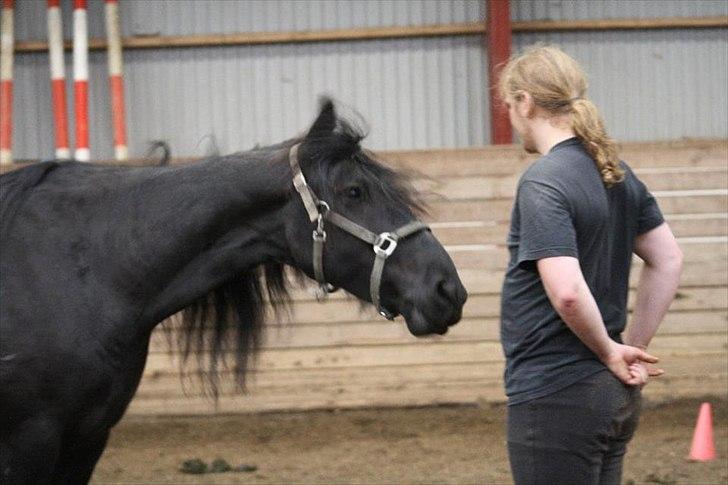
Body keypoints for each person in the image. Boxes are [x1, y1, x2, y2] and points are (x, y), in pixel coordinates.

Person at [497, 45, 683, 485]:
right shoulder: (614, 171)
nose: (509, 116)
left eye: (509, 104)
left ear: (526, 102)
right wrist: (627, 348)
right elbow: (668, 259)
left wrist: (607, 350)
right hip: (609, 393)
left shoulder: (544, 180)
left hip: (556, 391)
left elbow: (565, 291)